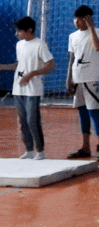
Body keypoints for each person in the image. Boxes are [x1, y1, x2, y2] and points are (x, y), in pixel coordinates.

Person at [0, 17, 55, 160]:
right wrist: (3, 67)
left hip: (33, 89)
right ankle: (29, 150)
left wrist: (32, 74)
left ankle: (40, 150)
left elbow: (50, 65)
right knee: (23, 120)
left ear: (29, 30)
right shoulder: (19, 45)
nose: (17, 34)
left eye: (19, 31)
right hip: (18, 88)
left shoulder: (39, 45)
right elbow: (19, 65)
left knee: (32, 119)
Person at [65, 5, 99, 162]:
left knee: (94, 112)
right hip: (77, 79)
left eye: (81, 19)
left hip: (91, 79)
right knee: (82, 113)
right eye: (75, 18)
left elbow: (97, 47)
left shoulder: (97, 32)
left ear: (87, 19)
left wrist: (92, 28)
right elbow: (72, 58)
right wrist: (68, 78)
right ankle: (85, 147)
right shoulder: (72, 36)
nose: (76, 22)